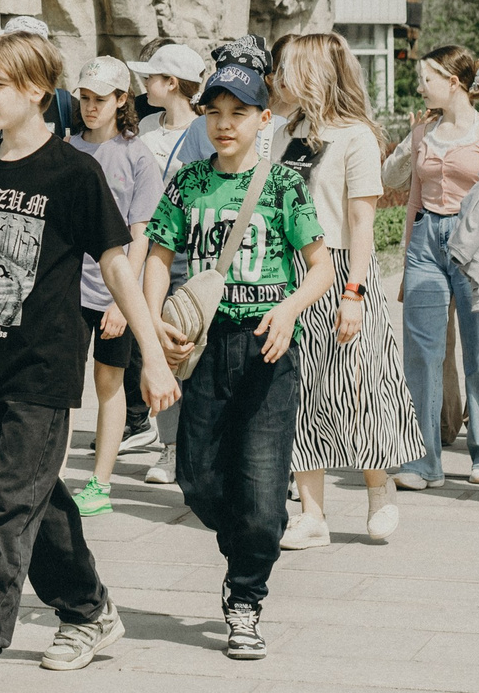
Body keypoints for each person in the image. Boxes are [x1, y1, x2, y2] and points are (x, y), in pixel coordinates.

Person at [0, 30, 180, 693]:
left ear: (33, 90)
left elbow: (115, 264)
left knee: (4, 504)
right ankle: (88, 607)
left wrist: (154, 358)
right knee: (37, 497)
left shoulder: (74, 172)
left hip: (46, 366)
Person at [141, 47, 336, 661]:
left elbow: (320, 269)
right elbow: (156, 258)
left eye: (239, 112)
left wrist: (289, 309)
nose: (225, 123)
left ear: (263, 120)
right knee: (195, 479)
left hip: (267, 349)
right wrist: (152, 325)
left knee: (260, 486)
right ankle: (253, 541)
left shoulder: (281, 183)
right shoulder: (189, 182)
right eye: (214, 112)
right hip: (201, 348)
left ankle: (246, 596)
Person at [274, 31, 424, 549]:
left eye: (290, 66)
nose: (280, 76)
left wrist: (354, 293)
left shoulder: (355, 136)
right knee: (297, 393)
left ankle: (380, 493)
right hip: (289, 272)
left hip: (340, 271)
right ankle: (312, 514)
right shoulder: (284, 130)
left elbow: (362, 222)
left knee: (361, 385)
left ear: (314, 72)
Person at [391, 45, 479, 487]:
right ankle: (423, 461)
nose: (419, 87)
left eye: (427, 80)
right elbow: (413, 196)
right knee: (421, 351)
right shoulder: (424, 131)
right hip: (425, 242)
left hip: (472, 240)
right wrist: (408, 256)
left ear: (453, 83)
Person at [69, 56, 164, 516]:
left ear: (121, 99)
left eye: (100, 99)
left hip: (114, 290)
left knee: (109, 384)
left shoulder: (137, 155)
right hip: (68, 288)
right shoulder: (67, 149)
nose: (90, 108)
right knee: (61, 388)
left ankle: (100, 483)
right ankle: (47, 477)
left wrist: (124, 303)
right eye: (84, 99)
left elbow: (141, 235)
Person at [131, 41, 214, 485]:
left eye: (153, 77)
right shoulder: (145, 126)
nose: (145, 84)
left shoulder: (205, 129)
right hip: (156, 248)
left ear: (172, 84)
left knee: (197, 349)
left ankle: (200, 444)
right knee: (163, 345)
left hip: (195, 250)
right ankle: (169, 446)